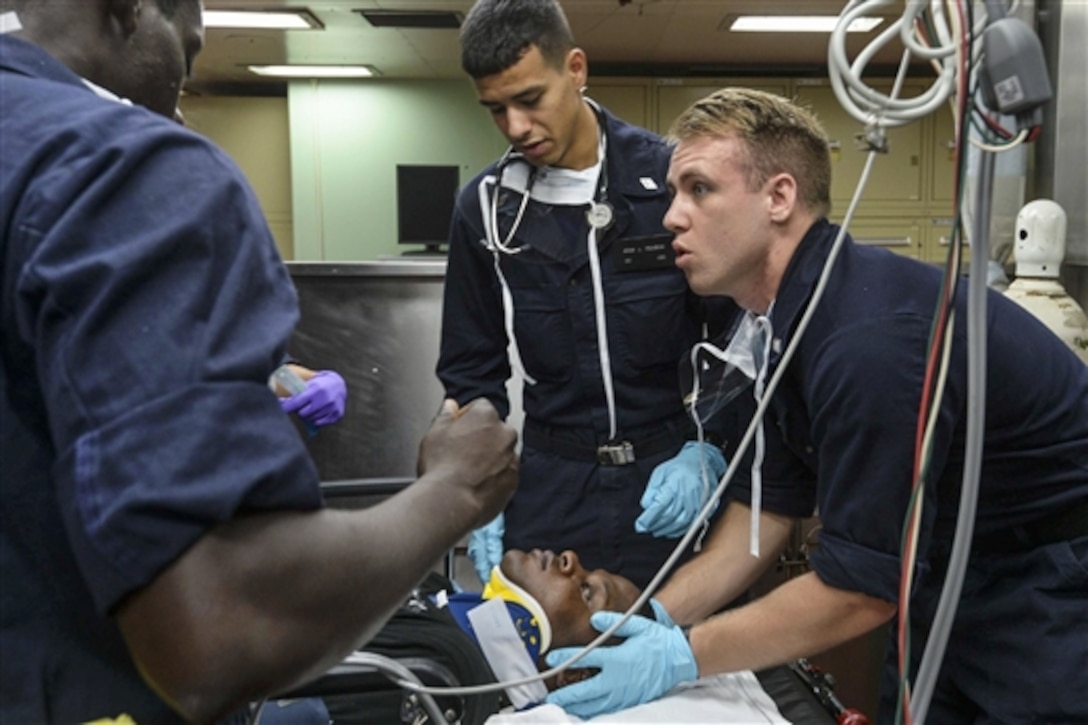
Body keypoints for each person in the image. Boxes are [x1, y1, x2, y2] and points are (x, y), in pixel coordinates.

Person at [0, 2, 518, 723]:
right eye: (187, 51)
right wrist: (453, 492)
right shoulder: (121, 166)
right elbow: (220, 626)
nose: (179, 95)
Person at [542, 87, 1088, 722]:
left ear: (779, 198)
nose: (671, 216)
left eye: (698, 189)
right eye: (672, 193)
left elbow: (861, 591)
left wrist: (683, 655)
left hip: (1049, 587)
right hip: (945, 580)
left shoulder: (865, 341)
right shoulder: (785, 325)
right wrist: (650, 620)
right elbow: (768, 510)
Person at [438, 0, 737, 591]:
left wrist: (711, 448)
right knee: (544, 667)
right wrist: (478, 487)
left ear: (575, 68)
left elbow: (734, 335)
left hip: (666, 478)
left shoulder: (668, 181)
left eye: (529, 100)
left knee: (682, 659)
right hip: (551, 487)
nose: (516, 127)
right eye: (496, 109)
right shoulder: (488, 209)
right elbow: (472, 368)